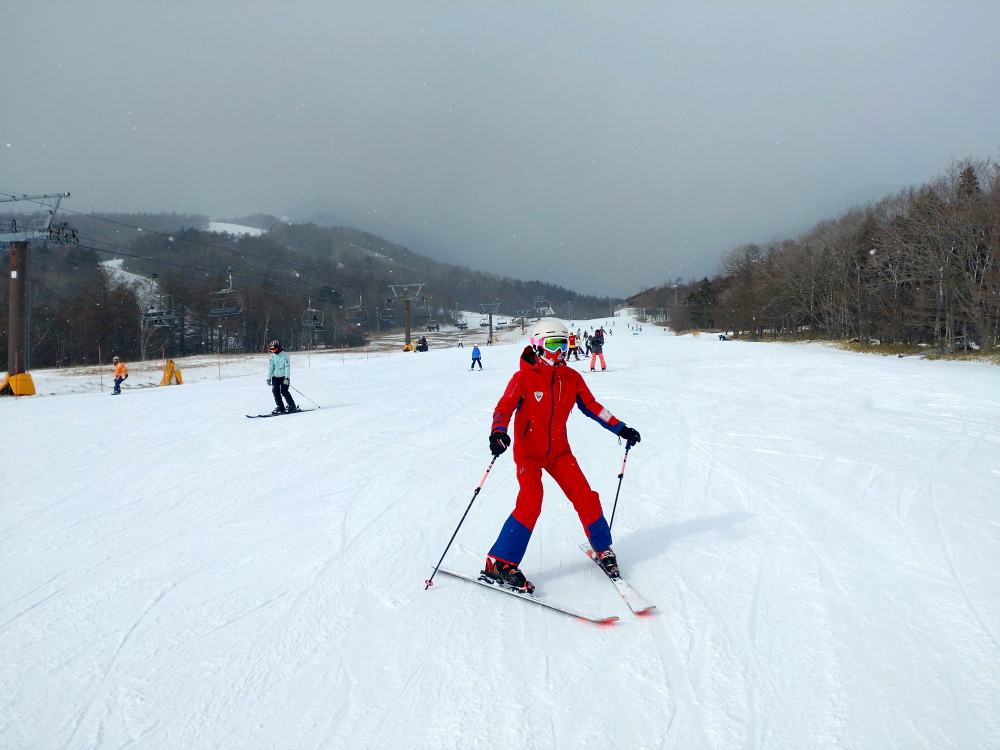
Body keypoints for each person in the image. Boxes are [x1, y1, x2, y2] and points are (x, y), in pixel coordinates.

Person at [482, 318, 641, 593]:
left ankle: (603, 549)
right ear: (538, 347)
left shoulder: (571, 378)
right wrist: (498, 432)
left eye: (565, 343)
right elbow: (504, 408)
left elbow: (592, 406)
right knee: (531, 501)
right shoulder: (523, 378)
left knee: (586, 497)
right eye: (553, 344)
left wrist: (620, 427)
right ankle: (499, 562)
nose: (561, 351)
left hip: (559, 452)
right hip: (529, 454)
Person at [266, 340, 298, 414]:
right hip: (275, 376)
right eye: (272, 350)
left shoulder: (285, 355)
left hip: (284, 376)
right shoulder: (272, 356)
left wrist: (287, 378)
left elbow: (287, 367)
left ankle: (292, 406)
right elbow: (271, 367)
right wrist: (268, 378)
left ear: (279, 348)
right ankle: (280, 407)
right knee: (275, 391)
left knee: (284, 391)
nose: (274, 351)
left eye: (275, 349)